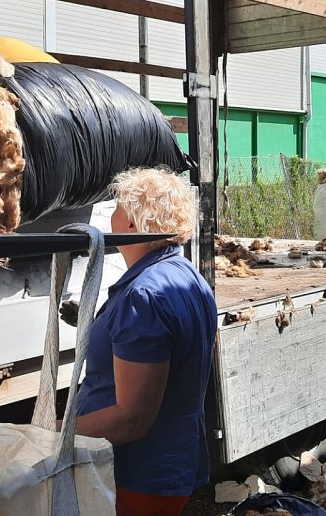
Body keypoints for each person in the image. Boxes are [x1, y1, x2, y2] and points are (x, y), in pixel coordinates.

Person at [74, 167, 218, 516]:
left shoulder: (145, 297)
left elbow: (132, 418)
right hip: (168, 466)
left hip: (136, 474)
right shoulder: (187, 276)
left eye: (118, 208)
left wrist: (53, 440)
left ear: (134, 224)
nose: (112, 215)